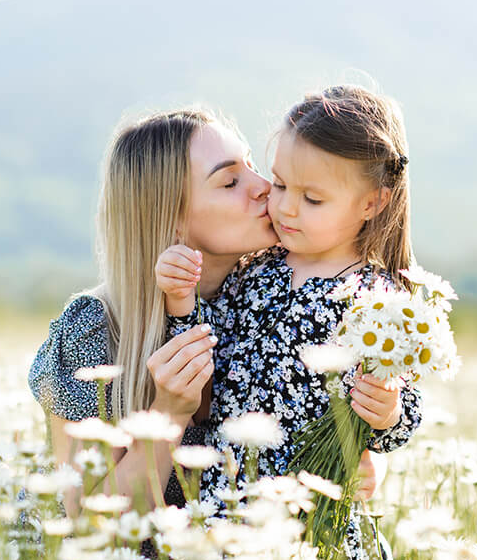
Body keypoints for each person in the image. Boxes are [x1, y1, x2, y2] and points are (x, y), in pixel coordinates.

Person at [29, 107, 386, 518]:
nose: (265, 188)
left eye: (253, 167)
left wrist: (368, 458)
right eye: (231, 180)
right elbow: (84, 515)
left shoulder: (281, 292)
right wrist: (169, 412)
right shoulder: (96, 328)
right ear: (172, 219)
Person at [156, 85, 423, 560]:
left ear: (372, 202)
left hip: (316, 517)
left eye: (313, 198)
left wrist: (386, 413)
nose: (287, 209)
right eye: (279, 186)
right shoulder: (255, 269)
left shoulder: (378, 299)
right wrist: (181, 301)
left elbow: (404, 412)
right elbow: (204, 361)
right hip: (228, 504)